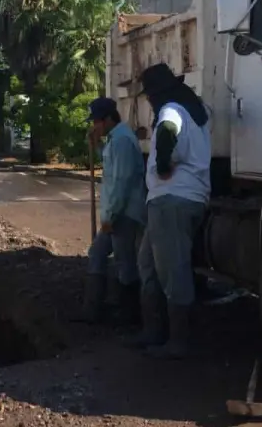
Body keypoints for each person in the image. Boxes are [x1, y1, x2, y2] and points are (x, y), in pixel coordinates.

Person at [126, 62, 212, 360]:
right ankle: (154, 331)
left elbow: (166, 132)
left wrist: (162, 165)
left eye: (149, 95)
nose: (149, 100)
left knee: (172, 270)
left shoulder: (171, 109)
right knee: (148, 264)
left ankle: (178, 341)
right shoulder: (194, 110)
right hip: (176, 199)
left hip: (172, 199)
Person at [78, 97, 147, 325]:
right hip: (115, 214)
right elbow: (111, 167)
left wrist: (111, 216)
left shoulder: (123, 140)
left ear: (108, 119)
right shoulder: (114, 139)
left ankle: (129, 316)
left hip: (124, 214)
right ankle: (92, 310)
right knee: (97, 253)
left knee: (124, 262)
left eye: (97, 121)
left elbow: (122, 182)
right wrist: (97, 145)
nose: (95, 125)